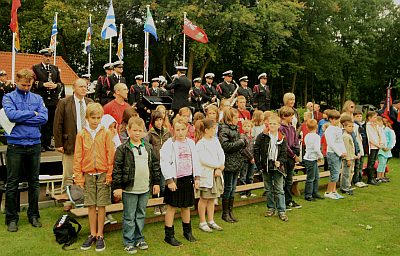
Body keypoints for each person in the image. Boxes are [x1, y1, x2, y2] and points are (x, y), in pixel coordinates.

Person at [3, 69, 48, 232]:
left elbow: (44, 118)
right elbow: (11, 115)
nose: (26, 87)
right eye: (23, 84)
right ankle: (11, 218)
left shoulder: (38, 98)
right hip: (15, 145)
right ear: (17, 81)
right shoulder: (8, 97)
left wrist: (24, 117)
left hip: (34, 144)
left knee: (34, 182)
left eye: (29, 85)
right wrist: (32, 114)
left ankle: (34, 215)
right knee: (12, 182)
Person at [112, 117, 161, 254]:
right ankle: (128, 241)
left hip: (144, 188)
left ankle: (139, 238)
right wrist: (117, 187)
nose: (137, 133)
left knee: (141, 214)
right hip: (129, 189)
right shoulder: (122, 149)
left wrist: (156, 182)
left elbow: (155, 166)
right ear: (128, 131)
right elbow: (117, 169)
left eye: (140, 130)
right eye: (134, 130)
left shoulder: (148, 148)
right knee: (129, 216)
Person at [73, 103, 115, 252]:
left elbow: (111, 155)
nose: (96, 120)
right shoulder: (81, 134)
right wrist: (79, 177)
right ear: (87, 117)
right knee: (91, 205)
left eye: (98, 118)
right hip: (88, 174)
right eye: (93, 117)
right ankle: (92, 233)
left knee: (101, 205)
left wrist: (109, 174)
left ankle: (100, 235)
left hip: (103, 173)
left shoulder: (106, 133)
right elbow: (78, 156)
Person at [160, 117, 201, 246]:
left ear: (187, 129)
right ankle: (169, 235)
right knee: (171, 207)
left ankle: (187, 232)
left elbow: (196, 161)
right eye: (177, 130)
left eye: (183, 129)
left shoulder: (191, 143)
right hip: (175, 181)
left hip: (187, 179)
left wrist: (197, 178)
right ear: (173, 130)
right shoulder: (169, 144)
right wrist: (169, 180)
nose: (180, 132)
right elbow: (164, 162)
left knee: (186, 206)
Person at [53, 78, 93, 193]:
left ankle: (85, 195)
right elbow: (57, 124)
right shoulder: (64, 102)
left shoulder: (90, 102)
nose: (84, 89)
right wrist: (58, 143)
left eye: (85, 86)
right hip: (70, 143)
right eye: (81, 86)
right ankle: (66, 197)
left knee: (86, 172)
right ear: (74, 88)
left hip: (88, 144)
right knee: (68, 174)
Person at [254, 114, 288, 221]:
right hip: (266, 166)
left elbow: (284, 153)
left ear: (278, 125)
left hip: (277, 167)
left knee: (279, 189)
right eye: (270, 123)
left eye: (274, 124)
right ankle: (270, 208)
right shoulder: (262, 136)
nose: (272, 125)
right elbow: (256, 151)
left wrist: (280, 162)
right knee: (268, 189)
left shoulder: (282, 137)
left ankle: (282, 211)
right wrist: (259, 165)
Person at [195, 118, 225, 232]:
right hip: (207, 175)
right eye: (213, 128)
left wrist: (220, 166)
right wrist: (217, 166)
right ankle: (202, 222)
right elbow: (203, 160)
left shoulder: (215, 141)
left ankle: (211, 220)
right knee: (204, 198)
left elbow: (221, 153)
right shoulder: (200, 144)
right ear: (206, 130)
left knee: (212, 198)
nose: (215, 130)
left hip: (216, 174)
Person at [32, 48, 64, 152]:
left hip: (52, 100)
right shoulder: (35, 68)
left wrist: (56, 86)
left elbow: (60, 83)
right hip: (41, 99)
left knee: (50, 122)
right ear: (42, 56)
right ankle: (40, 143)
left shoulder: (55, 68)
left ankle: (48, 143)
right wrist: (43, 84)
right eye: (46, 56)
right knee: (41, 122)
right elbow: (32, 82)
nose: (48, 58)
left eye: (49, 56)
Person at [218, 108, 246, 223]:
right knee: (228, 188)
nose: (237, 119)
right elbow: (225, 146)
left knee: (233, 188)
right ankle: (225, 213)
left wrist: (243, 142)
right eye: (235, 117)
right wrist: (240, 142)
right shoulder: (224, 129)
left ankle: (230, 210)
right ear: (229, 118)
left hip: (237, 161)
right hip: (229, 161)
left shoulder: (236, 129)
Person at [147, 110, 171, 215]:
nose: (159, 122)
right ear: (153, 121)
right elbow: (148, 146)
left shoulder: (167, 132)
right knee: (155, 184)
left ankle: (162, 203)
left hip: (165, 161)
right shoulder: (150, 134)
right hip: (155, 162)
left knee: (163, 185)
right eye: (157, 120)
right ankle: (155, 205)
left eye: (160, 120)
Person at [278, 106, 302, 209]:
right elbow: (285, 145)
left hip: (292, 156)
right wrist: (293, 155)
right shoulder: (281, 128)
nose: (292, 117)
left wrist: (297, 152)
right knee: (284, 179)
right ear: (284, 116)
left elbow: (295, 141)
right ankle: (284, 201)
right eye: (291, 115)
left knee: (289, 179)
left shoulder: (292, 127)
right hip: (285, 157)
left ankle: (288, 200)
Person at [324, 110, 346, 199]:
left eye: (338, 119)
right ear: (330, 119)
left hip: (339, 154)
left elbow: (340, 141)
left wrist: (344, 151)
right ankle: (328, 192)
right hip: (332, 153)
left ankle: (334, 191)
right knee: (334, 173)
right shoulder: (329, 130)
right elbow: (331, 143)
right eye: (335, 119)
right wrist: (339, 153)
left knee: (336, 173)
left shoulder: (338, 129)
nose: (337, 121)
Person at [303, 119, 324, 201]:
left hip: (309, 157)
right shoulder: (316, 137)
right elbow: (316, 148)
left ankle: (314, 192)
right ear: (316, 126)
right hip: (311, 158)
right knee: (311, 178)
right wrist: (321, 155)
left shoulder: (307, 136)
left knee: (316, 176)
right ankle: (308, 194)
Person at [239, 119, 256, 198]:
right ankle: (243, 192)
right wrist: (250, 157)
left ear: (251, 127)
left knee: (250, 176)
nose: (247, 128)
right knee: (243, 176)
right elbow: (243, 149)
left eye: (248, 126)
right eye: (245, 126)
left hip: (252, 160)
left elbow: (255, 148)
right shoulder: (242, 137)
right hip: (244, 159)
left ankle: (249, 191)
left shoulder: (253, 138)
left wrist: (254, 158)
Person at [365, 111, 383, 185]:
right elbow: (370, 137)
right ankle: (370, 178)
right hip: (372, 146)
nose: (376, 119)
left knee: (373, 162)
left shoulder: (375, 125)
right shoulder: (368, 125)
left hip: (377, 146)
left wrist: (380, 143)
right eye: (374, 117)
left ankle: (373, 178)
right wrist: (377, 145)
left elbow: (379, 134)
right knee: (371, 162)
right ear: (369, 118)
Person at [340, 114, 356, 195]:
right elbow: (346, 149)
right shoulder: (345, 136)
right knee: (346, 173)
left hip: (351, 157)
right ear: (344, 127)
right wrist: (348, 159)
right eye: (349, 126)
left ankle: (347, 186)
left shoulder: (349, 135)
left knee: (349, 172)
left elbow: (351, 148)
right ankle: (344, 188)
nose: (351, 128)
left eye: (352, 126)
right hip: (347, 158)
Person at [377, 117, 396, 182]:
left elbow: (391, 139)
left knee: (384, 163)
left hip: (387, 149)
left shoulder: (387, 130)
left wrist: (389, 147)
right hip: (381, 149)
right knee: (381, 163)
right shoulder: (378, 129)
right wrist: (383, 147)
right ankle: (378, 177)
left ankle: (382, 176)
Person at [353, 110, 368, 188]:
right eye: (357, 116)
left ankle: (360, 179)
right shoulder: (354, 126)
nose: (359, 118)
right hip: (358, 148)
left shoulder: (361, 125)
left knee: (361, 164)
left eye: (360, 116)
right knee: (357, 165)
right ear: (353, 117)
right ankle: (356, 180)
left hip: (362, 146)